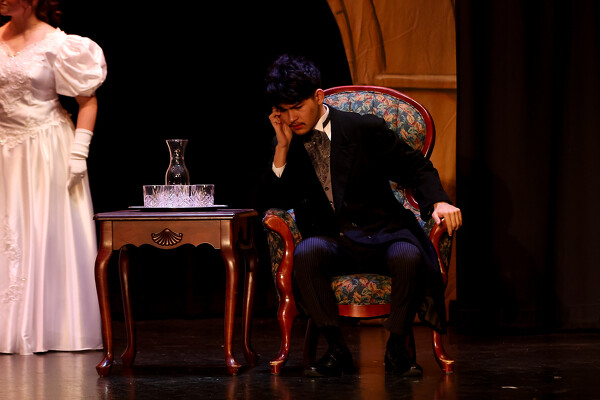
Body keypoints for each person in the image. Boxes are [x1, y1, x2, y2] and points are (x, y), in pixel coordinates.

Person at [262, 54, 462, 377]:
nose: (291, 118)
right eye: (283, 111)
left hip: (381, 232)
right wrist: (282, 148)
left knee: (409, 255)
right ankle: (336, 349)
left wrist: (438, 202)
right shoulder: (287, 143)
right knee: (307, 253)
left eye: (297, 107)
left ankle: (397, 349)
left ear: (318, 97)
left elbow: (415, 166)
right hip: (331, 240)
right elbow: (276, 203)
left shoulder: (363, 128)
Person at [0, 0, 106, 354]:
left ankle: (52, 326)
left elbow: (87, 100)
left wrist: (79, 152)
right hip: (5, 149)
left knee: (42, 230)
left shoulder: (60, 45)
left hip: (46, 148)